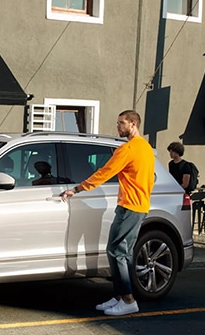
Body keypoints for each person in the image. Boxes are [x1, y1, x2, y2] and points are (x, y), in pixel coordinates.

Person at [60, 110, 155, 316]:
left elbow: (104, 173)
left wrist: (76, 189)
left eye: (122, 123)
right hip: (140, 206)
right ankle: (122, 296)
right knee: (125, 253)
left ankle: (128, 300)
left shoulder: (127, 149)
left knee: (116, 251)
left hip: (129, 206)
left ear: (133, 124)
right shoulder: (146, 148)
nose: (118, 126)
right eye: (118, 122)